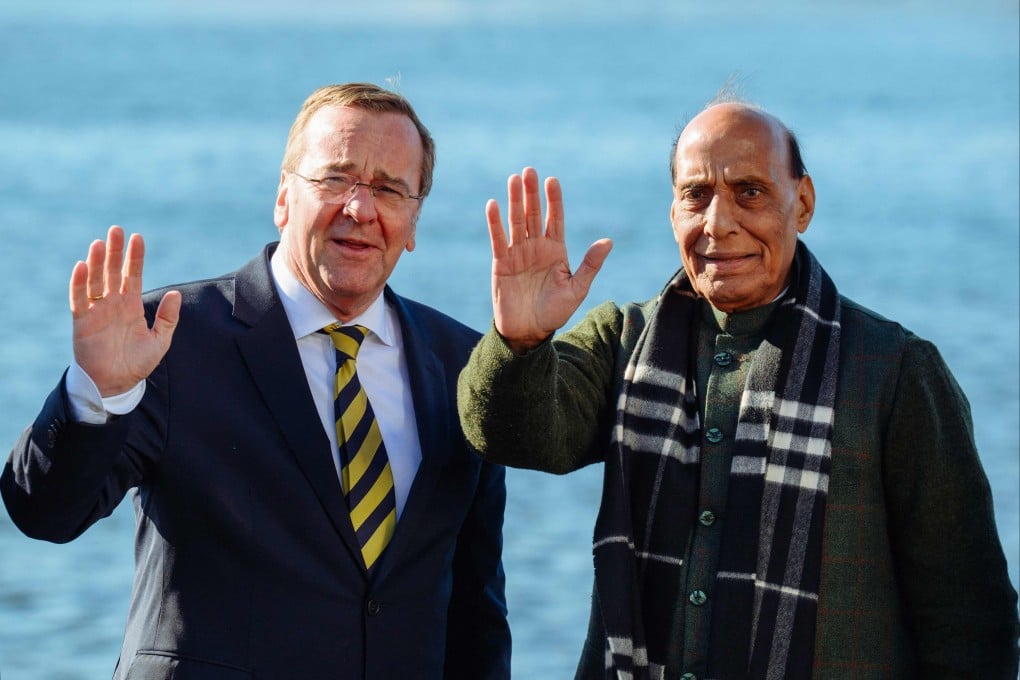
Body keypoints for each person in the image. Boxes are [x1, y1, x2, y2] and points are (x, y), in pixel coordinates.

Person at [458, 99, 1019, 678]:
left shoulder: (895, 370)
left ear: (801, 204)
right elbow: (513, 437)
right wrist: (519, 340)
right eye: (696, 195)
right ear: (673, 210)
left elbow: (969, 619)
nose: (718, 223)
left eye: (750, 191)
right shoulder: (623, 339)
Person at [2, 83, 510, 679]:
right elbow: (46, 513)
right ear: (282, 198)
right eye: (335, 179)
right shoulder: (165, 339)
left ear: (414, 220)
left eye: (389, 189)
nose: (360, 208)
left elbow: (477, 608)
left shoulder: (464, 364)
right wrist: (97, 393)